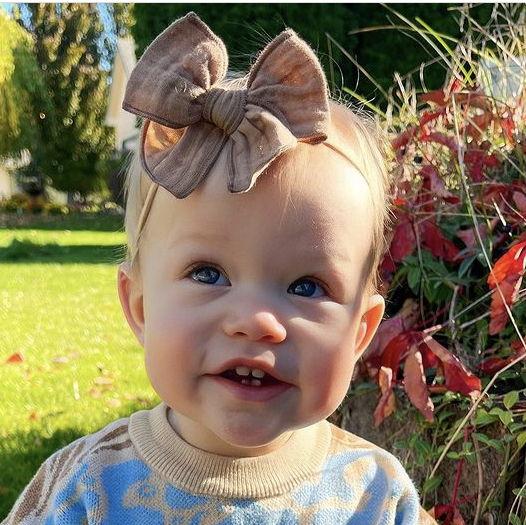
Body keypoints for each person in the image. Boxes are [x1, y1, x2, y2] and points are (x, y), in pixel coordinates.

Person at [3, 12, 437, 525]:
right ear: (140, 307)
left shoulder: (376, 497)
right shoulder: (85, 489)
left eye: (307, 286)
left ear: (359, 331)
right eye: (208, 274)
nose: (255, 321)